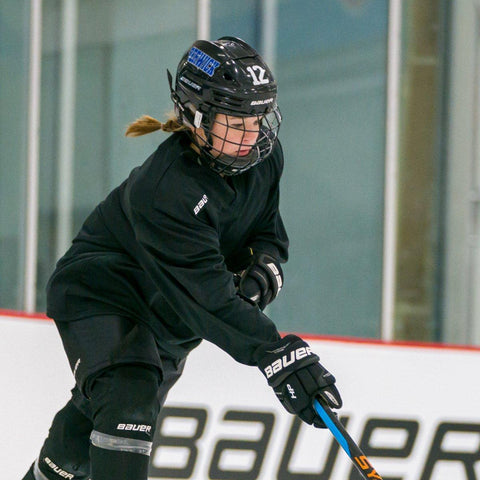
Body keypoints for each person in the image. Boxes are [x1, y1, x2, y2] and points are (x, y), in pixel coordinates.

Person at [23, 36, 342, 480]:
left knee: (99, 409)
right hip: (104, 294)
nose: (251, 134)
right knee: (128, 400)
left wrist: (259, 276)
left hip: (171, 312)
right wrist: (277, 353)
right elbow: (208, 297)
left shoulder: (263, 158)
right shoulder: (166, 190)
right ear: (197, 116)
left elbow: (267, 235)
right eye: (236, 121)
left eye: (258, 117)